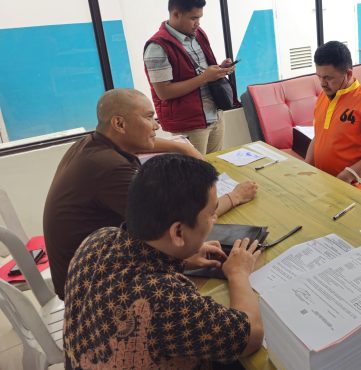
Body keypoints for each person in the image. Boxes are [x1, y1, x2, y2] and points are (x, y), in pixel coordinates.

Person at [43, 88, 257, 299]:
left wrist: (182, 148)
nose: (157, 125)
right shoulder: (110, 169)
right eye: (149, 117)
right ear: (119, 123)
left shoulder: (91, 144)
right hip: (90, 288)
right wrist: (235, 196)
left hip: (85, 266)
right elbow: (180, 220)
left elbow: (140, 144)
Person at [63, 154, 264, 369]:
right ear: (178, 231)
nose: (214, 220)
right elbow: (251, 335)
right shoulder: (167, 300)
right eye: (211, 214)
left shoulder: (98, 238)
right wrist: (238, 274)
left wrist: (181, 258)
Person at [144, 0, 235, 155]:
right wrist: (205, 77)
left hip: (214, 115)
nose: (197, 24)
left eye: (200, 18)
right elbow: (164, 92)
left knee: (217, 169)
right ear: (176, 14)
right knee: (194, 176)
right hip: (189, 124)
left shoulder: (198, 34)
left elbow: (201, 71)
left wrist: (219, 70)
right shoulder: (157, 47)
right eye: (193, 18)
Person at [305, 41, 361, 188]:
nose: (322, 83)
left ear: (349, 73)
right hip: (324, 183)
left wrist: (348, 175)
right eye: (319, 76)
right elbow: (319, 135)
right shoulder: (323, 96)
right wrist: (307, 166)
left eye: (328, 78)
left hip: (355, 185)